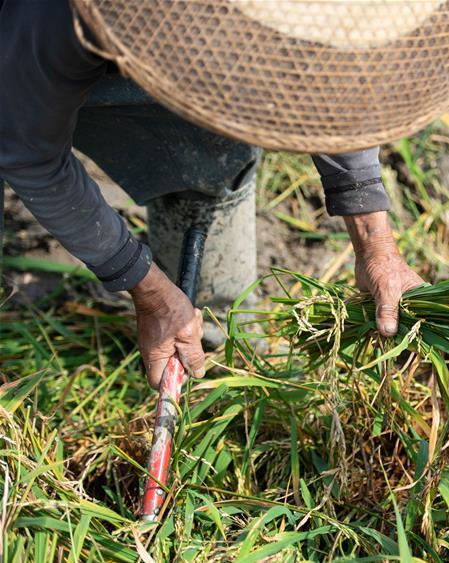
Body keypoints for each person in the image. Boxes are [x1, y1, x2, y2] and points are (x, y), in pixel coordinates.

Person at [0, 0, 424, 389]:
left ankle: (217, 344)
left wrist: (377, 247)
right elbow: (28, 154)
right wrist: (144, 286)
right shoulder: (56, 17)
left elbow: (329, 70)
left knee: (213, 168)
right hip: (29, 56)